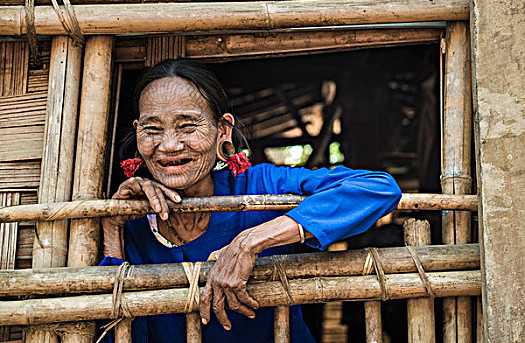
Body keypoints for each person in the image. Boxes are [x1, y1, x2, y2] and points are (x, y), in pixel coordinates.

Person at [100, 59, 402, 343]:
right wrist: (113, 226)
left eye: (187, 126)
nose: (168, 145)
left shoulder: (261, 186)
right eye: (152, 130)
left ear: (223, 131)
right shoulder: (133, 219)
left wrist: (252, 241)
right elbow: (113, 331)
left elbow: (378, 189)